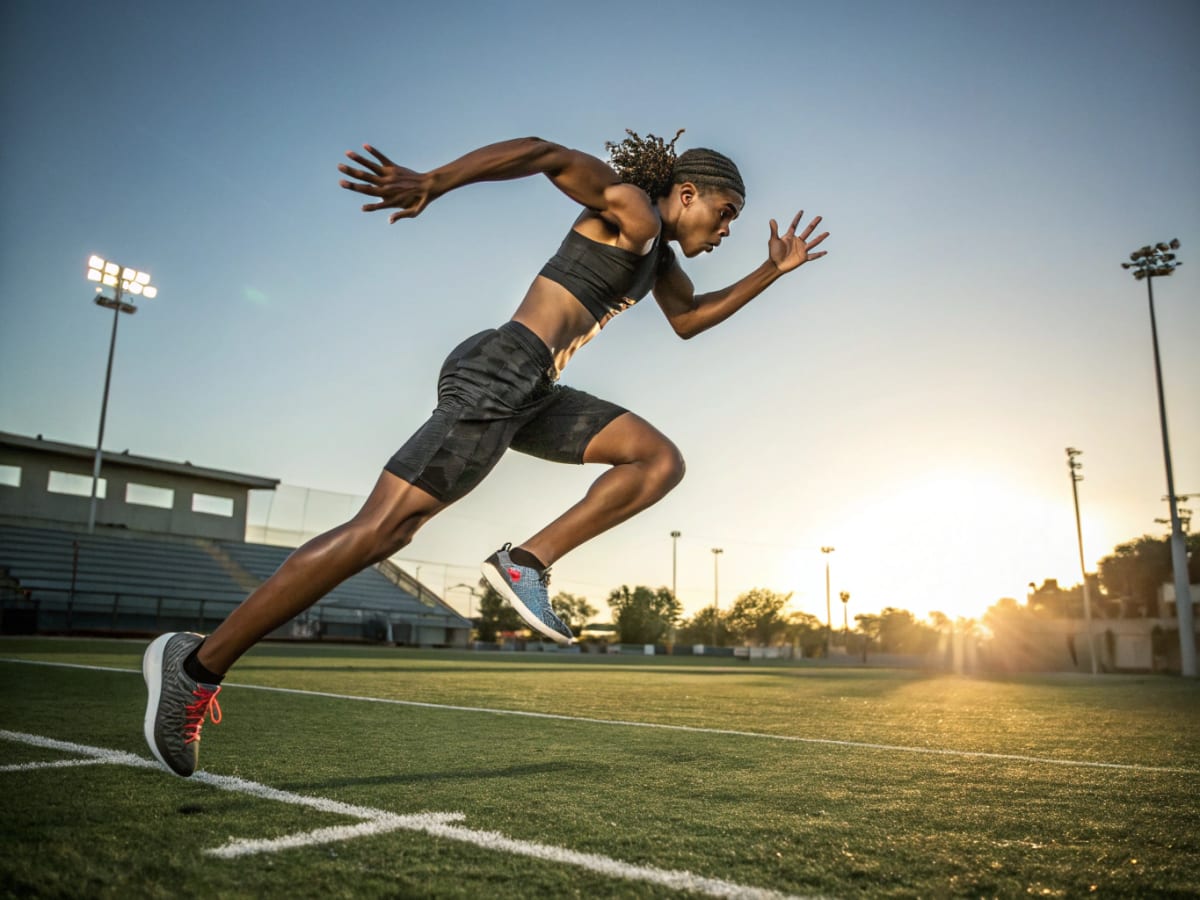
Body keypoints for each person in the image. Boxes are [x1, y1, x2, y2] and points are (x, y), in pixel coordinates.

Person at [142, 130, 829, 777]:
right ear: (687, 194)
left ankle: (527, 560)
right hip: (503, 368)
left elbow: (689, 320)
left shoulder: (658, 261)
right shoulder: (635, 211)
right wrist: (433, 181)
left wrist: (772, 270)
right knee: (380, 531)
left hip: (533, 387)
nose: (728, 226)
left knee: (656, 460)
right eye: (726, 210)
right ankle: (196, 667)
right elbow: (543, 154)